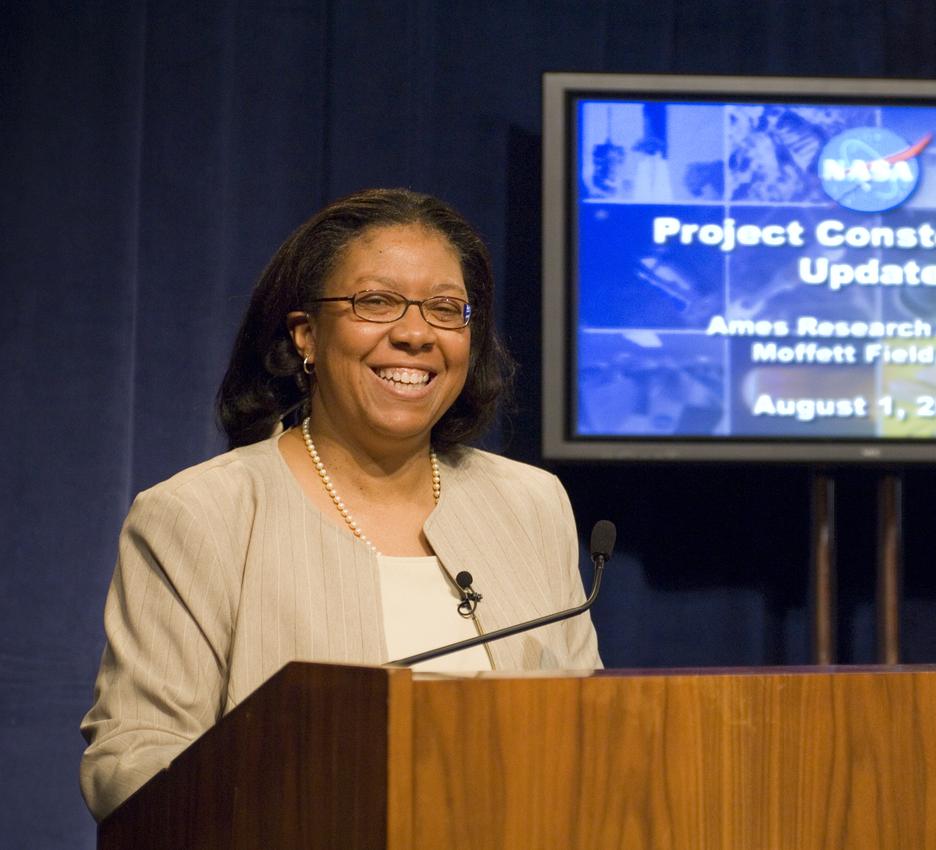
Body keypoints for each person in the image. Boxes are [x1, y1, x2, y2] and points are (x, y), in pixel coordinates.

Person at [79, 188, 601, 821]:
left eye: (445, 309)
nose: (414, 334)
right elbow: (135, 761)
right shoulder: (200, 515)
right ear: (306, 335)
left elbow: (593, 732)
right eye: (375, 302)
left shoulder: (530, 505)